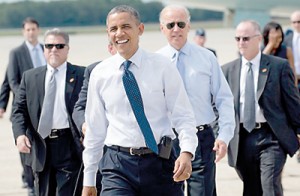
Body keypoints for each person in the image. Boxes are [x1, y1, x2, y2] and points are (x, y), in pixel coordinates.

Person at [82, 5, 198, 196]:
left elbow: (183, 115)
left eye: (126, 26)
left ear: (140, 29)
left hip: (160, 163)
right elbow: (95, 130)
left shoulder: (162, 67)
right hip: (117, 166)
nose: (120, 33)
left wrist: (186, 152)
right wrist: (89, 180)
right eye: (113, 29)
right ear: (108, 33)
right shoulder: (100, 74)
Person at [157, 5, 235, 196]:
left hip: (201, 139)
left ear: (189, 26)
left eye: (181, 24)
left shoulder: (206, 57)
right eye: (171, 25)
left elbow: (224, 98)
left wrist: (224, 135)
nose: (176, 29)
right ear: (162, 28)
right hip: (168, 142)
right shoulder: (154, 61)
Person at [222, 20, 300, 196]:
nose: (241, 42)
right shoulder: (227, 71)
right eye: (238, 38)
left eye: (246, 38)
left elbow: (293, 102)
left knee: (270, 185)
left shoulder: (278, 66)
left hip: (271, 136)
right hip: (241, 139)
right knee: (251, 188)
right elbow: (220, 108)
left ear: (258, 39)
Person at [11, 28, 85, 196]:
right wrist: (20, 134)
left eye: (59, 46)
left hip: (69, 146)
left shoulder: (81, 74)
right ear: (44, 48)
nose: (53, 50)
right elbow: (19, 111)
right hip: (40, 146)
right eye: (49, 45)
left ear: (67, 49)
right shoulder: (30, 77)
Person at [7, 17, 46, 196]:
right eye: (27, 30)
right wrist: (25, 95)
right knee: (26, 144)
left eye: (33, 29)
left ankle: (41, 177)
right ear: (24, 32)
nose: (31, 32)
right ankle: (30, 183)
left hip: (46, 104)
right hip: (26, 105)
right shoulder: (16, 53)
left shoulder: (48, 49)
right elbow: (11, 81)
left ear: (38, 30)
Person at [72, 42, 116, 195]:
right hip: (104, 148)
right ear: (110, 49)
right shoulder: (95, 71)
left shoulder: (147, 69)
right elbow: (79, 108)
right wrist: (85, 126)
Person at [284, 10, 300, 88]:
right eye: (294, 22)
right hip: (292, 79)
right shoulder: (286, 40)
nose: (297, 25)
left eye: (299, 22)